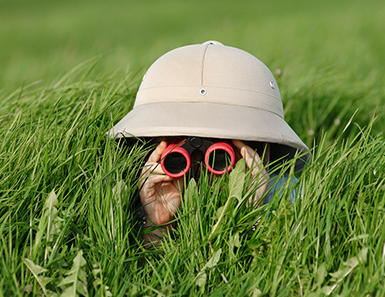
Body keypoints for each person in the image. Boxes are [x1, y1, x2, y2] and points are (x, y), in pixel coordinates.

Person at [108, 41, 311, 243]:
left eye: (219, 156)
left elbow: (276, 272)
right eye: (178, 155)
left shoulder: (288, 195)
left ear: (254, 148)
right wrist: (158, 222)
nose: (200, 164)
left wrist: (249, 213)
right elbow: (140, 274)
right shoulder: (132, 199)